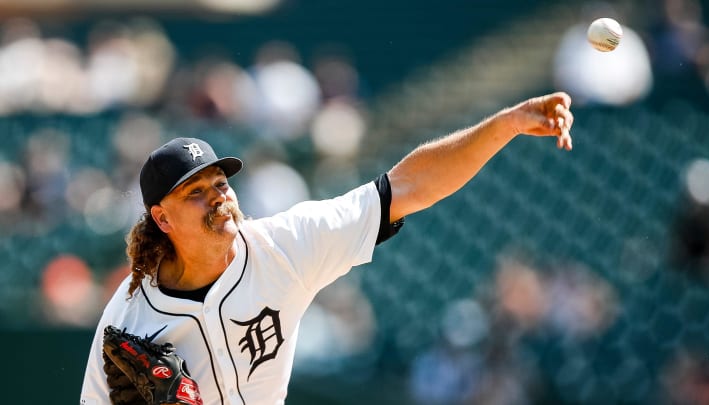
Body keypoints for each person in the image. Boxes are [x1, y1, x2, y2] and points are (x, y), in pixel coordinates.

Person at [80, 91, 574, 405]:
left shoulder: (285, 246)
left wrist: (504, 125)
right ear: (161, 218)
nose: (218, 197)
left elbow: (407, 187)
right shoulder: (127, 320)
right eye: (196, 192)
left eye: (219, 183)